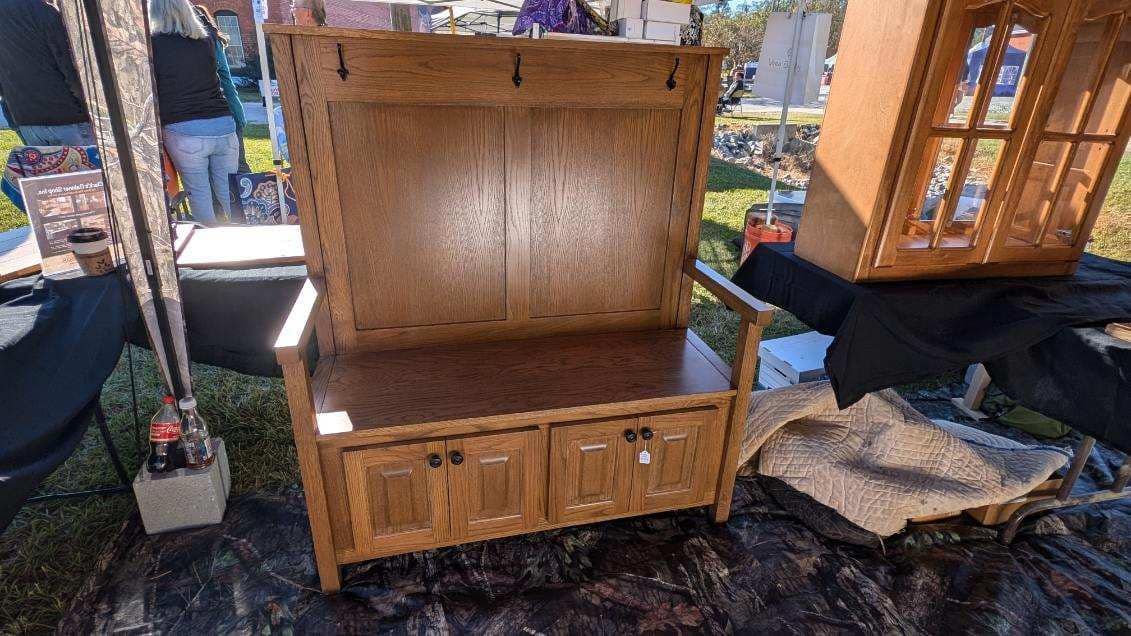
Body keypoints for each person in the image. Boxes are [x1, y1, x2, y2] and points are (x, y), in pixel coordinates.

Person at [150, 0, 239, 226]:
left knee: (199, 194)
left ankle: (214, 254)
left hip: (184, 128)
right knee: (232, 195)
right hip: (222, 123)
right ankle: (244, 240)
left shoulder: (153, 45)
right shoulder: (205, 41)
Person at [0, 0, 94, 146]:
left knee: (51, 169)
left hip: (26, 119)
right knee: (89, 168)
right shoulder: (44, 12)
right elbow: (70, 68)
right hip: (67, 117)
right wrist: (87, 109)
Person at [193, 5, 250, 173]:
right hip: (224, 111)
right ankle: (246, 197)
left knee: (233, 166)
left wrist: (237, 114)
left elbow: (225, 80)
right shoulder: (213, 43)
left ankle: (244, 197)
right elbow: (227, 82)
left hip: (220, 112)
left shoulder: (208, 44)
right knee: (237, 166)